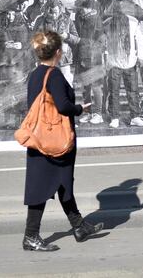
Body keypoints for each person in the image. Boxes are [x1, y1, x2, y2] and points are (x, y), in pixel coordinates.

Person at [22, 30, 103, 251]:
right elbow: (63, 106)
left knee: (62, 182)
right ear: (58, 52)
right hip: (56, 139)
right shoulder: (54, 75)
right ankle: (31, 236)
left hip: (40, 137)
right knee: (44, 187)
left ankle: (79, 227)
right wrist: (79, 109)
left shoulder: (35, 74)